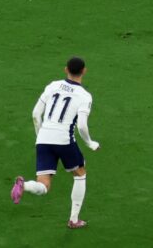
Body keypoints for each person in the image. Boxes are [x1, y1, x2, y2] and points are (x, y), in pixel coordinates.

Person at [10, 57, 99, 230]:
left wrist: (40, 136)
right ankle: (74, 219)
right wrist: (90, 143)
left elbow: (36, 114)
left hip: (43, 139)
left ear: (66, 69)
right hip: (64, 140)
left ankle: (24, 185)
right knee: (80, 173)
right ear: (84, 71)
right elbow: (81, 125)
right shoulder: (84, 96)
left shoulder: (53, 86)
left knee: (44, 185)